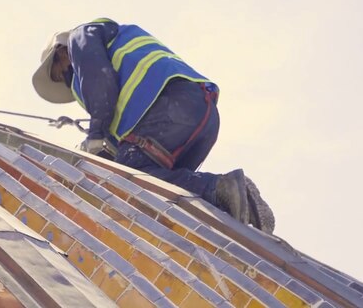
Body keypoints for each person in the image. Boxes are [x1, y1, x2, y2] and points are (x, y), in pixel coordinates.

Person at [32, 18, 274, 233]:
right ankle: (240, 205)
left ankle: (222, 187)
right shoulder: (114, 46)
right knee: (160, 192)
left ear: (61, 53)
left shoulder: (80, 37)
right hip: (198, 111)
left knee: (128, 177)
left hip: (169, 105)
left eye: (58, 72)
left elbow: (99, 83)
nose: (65, 78)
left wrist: (95, 135)